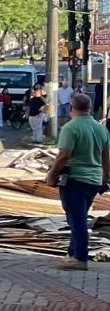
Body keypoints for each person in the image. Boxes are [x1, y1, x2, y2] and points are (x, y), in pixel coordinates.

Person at [45, 92, 110, 271]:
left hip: (75, 178)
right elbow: (106, 156)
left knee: (76, 220)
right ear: (89, 108)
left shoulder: (70, 128)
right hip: (94, 180)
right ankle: (72, 254)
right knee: (78, 217)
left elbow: (63, 155)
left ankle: (80, 258)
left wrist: (51, 175)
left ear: (72, 108)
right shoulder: (101, 129)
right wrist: (105, 178)